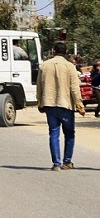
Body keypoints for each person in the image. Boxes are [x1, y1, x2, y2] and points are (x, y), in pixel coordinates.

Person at [36, 42, 86, 171]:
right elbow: (75, 88)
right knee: (69, 134)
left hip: (49, 104)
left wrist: (39, 102)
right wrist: (80, 105)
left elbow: (39, 87)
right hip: (66, 105)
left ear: (53, 51)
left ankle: (56, 164)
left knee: (54, 133)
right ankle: (67, 162)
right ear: (65, 52)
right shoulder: (70, 66)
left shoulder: (44, 66)